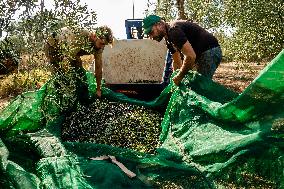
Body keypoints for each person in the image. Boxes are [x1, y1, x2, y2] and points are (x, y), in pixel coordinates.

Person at [142, 15, 222, 86]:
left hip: (210, 51)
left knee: (199, 86)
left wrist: (180, 76)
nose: (151, 37)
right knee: (191, 83)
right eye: (149, 35)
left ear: (159, 24)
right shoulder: (168, 39)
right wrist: (175, 77)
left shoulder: (173, 31)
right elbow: (176, 60)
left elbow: (190, 56)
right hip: (200, 55)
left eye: (151, 32)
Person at [45, 26, 113, 98]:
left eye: (104, 45)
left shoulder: (99, 47)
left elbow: (98, 67)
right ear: (94, 36)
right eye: (101, 43)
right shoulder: (79, 36)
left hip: (70, 51)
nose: (102, 47)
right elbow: (66, 61)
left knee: (80, 74)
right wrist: (68, 84)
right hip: (53, 47)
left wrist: (98, 89)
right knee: (60, 78)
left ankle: (80, 96)